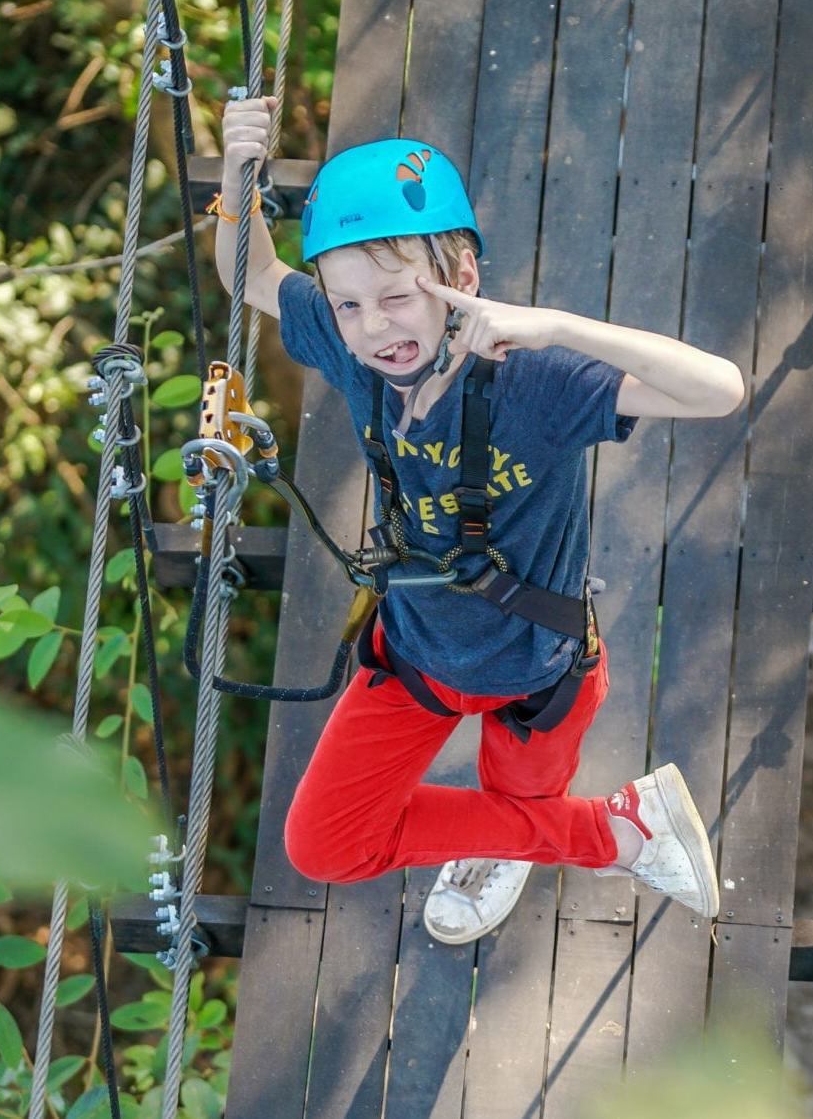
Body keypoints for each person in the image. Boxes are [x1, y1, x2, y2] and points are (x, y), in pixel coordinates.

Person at [210, 96, 746, 945]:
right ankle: (613, 831)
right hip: (415, 654)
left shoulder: (534, 381)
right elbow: (250, 273)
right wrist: (240, 170)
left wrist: (557, 327)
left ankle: (508, 835)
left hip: (538, 669)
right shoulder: (355, 356)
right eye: (348, 306)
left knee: (518, 802)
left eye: (397, 297)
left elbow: (718, 390)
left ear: (462, 279)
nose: (374, 327)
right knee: (324, 844)